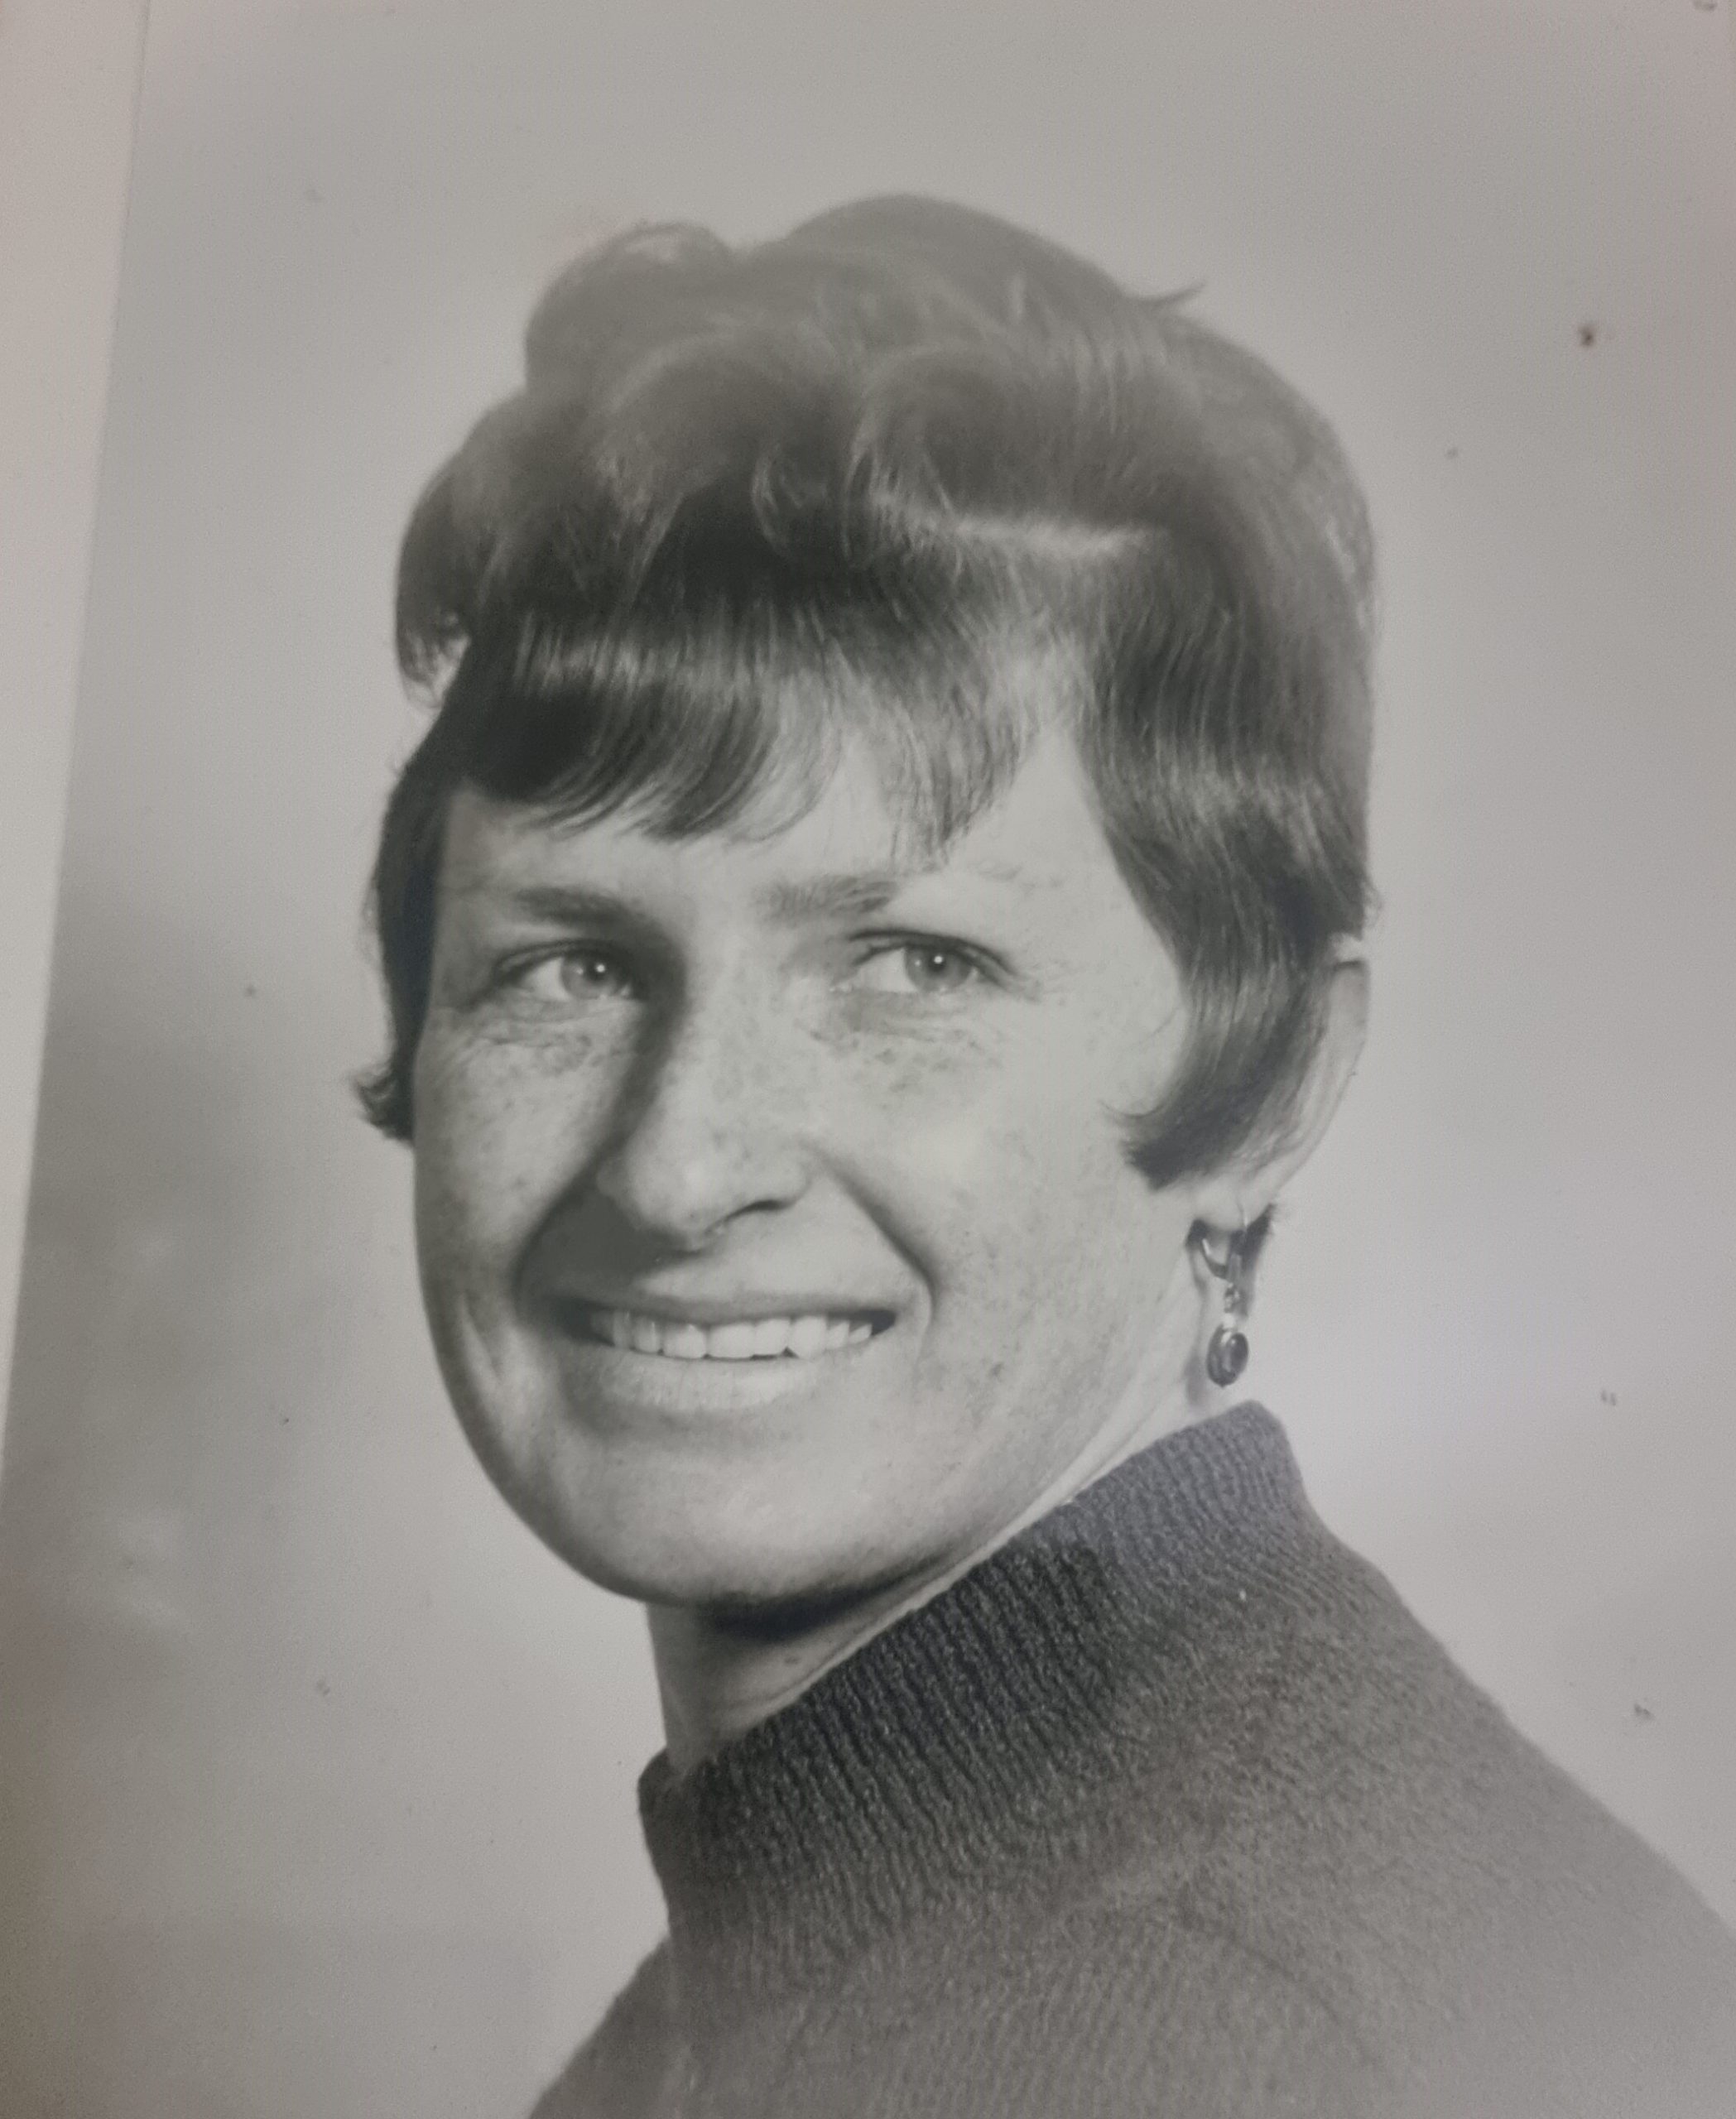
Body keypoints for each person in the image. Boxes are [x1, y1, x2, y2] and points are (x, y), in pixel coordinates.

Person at [359, 197, 1736, 2117]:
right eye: (569, 964)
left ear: (1265, 1082)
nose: (675, 1167)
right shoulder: (942, 1916)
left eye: (912, 962)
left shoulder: (1164, 2015)